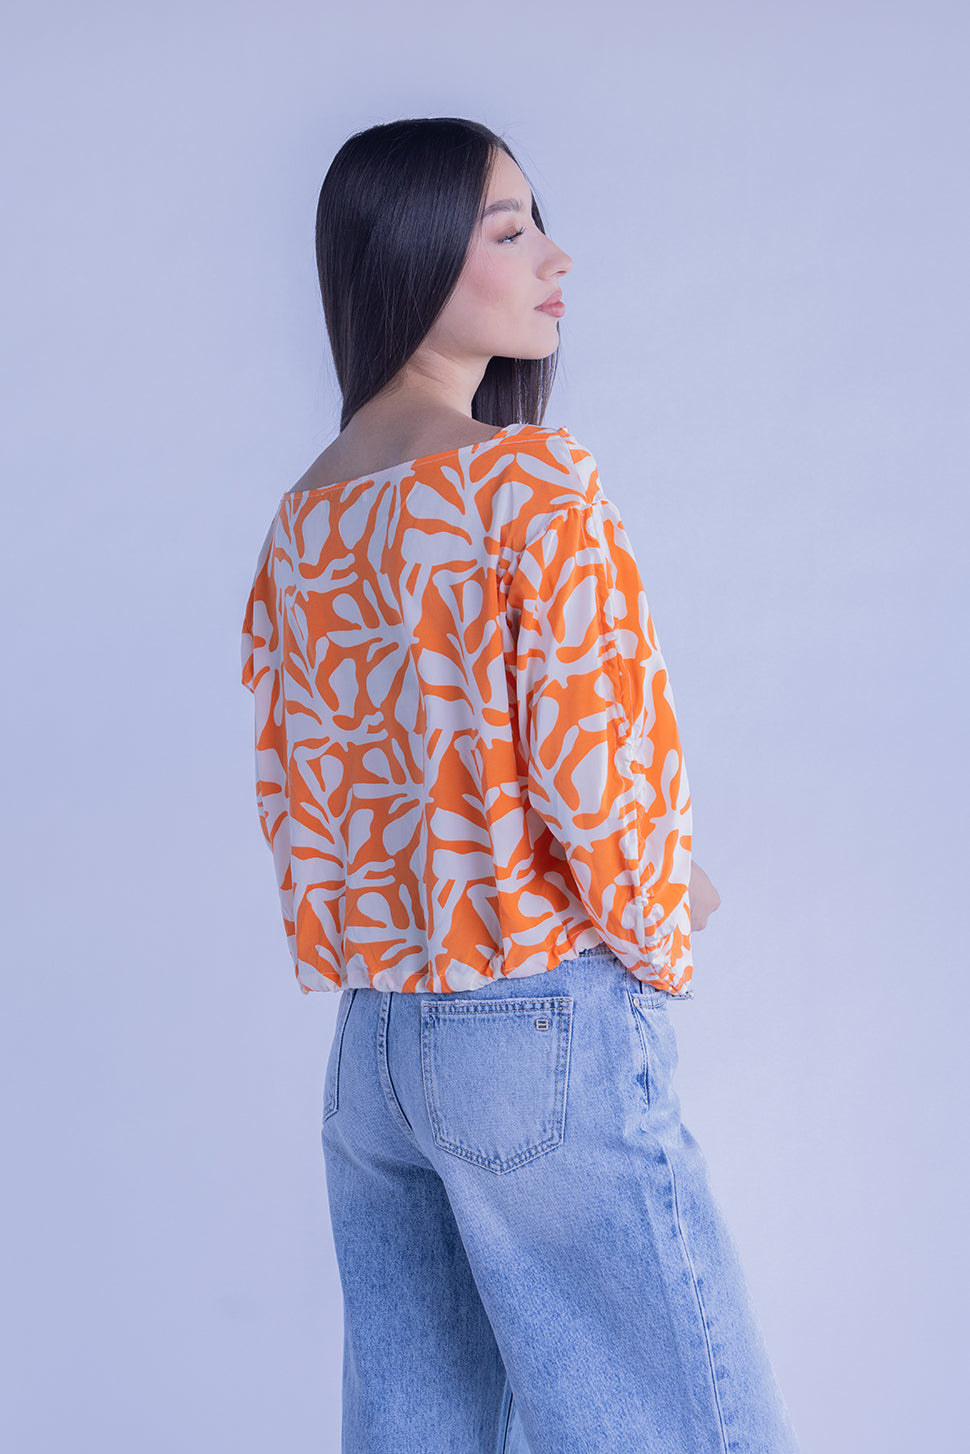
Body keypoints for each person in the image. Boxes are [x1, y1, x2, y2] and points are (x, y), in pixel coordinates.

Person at [240, 117, 802, 1454]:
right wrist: (659, 926)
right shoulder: (526, 483)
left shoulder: (303, 518)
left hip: (375, 1049)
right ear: (412, 255)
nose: (556, 257)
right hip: (532, 1021)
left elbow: (298, 794)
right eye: (509, 230)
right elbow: (592, 765)